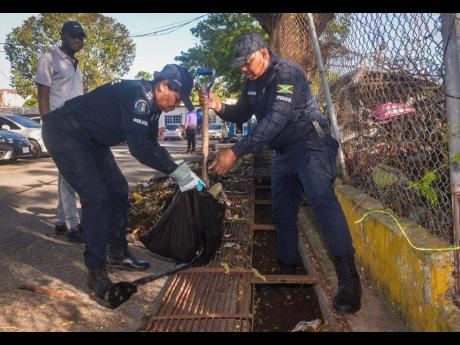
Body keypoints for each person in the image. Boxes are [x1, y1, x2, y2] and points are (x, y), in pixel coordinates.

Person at [199, 33, 361, 315]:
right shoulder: (251, 83)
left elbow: (275, 120)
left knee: (322, 203)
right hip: (283, 152)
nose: (244, 70)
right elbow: (239, 113)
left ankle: (349, 282)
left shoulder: (287, 73)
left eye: (247, 63)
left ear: (263, 53)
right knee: (282, 211)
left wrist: (235, 152)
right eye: (241, 65)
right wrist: (217, 106)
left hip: (311, 144)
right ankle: (287, 270)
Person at [42, 64, 203, 306]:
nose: (177, 104)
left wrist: (181, 171)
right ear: (163, 86)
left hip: (92, 141)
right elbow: (139, 149)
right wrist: (177, 173)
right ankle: (96, 271)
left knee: (118, 191)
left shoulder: (153, 108)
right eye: (177, 98)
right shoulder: (139, 95)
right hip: (64, 133)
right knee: (96, 198)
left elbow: (152, 145)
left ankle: (117, 252)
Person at [35, 21, 87, 243]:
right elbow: (43, 95)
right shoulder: (49, 59)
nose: (77, 40)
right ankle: (73, 225)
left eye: (81, 37)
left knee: (65, 174)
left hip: (76, 126)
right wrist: (48, 123)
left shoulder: (75, 64)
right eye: (73, 36)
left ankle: (60, 221)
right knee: (71, 175)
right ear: (62, 35)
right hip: (59, 125)